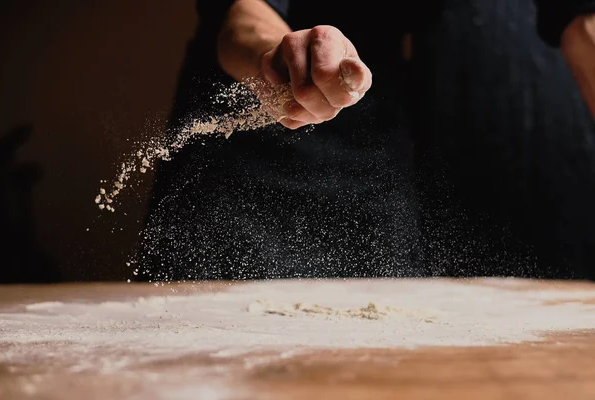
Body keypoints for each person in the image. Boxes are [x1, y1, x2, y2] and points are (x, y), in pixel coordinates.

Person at [136, 0, 595, 281]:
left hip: (383, 138)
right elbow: (240, 15)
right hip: (260, 119)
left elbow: (584, 28)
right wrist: (285, 61)